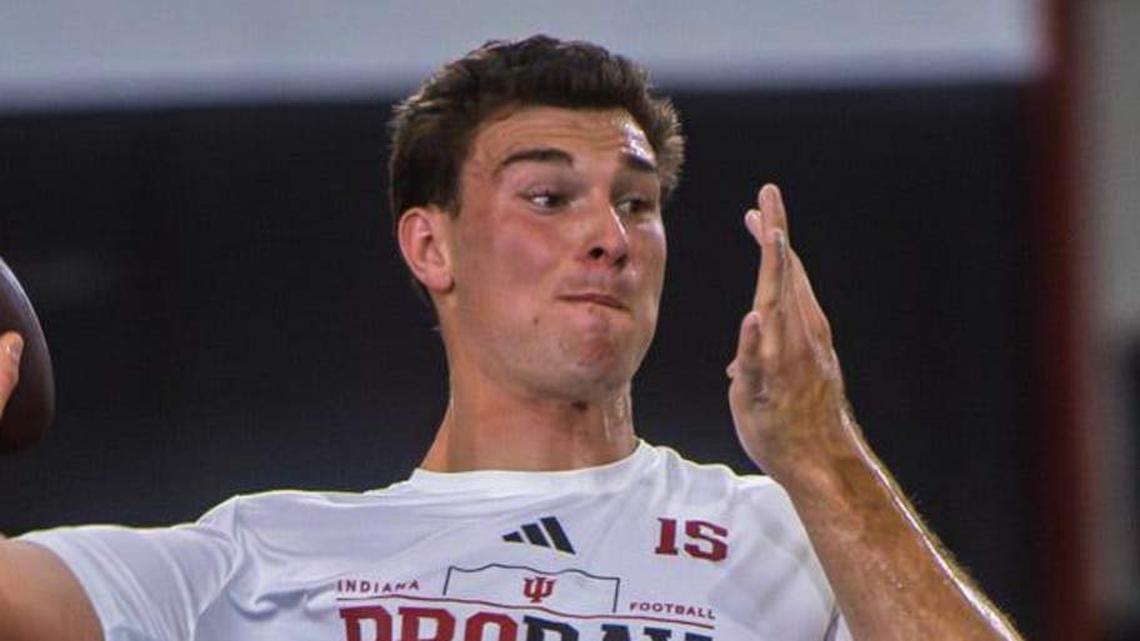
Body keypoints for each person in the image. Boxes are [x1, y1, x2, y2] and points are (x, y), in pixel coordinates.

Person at [0, 35, 1022, 641]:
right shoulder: (267, 554)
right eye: (548, 195)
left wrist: (825, 455)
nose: (606, 236)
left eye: (636, 203)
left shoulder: (784, 531)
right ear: (430, 245)